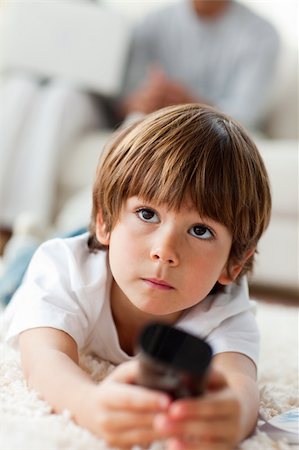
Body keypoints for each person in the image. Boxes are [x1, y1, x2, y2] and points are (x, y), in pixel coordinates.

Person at [5, 104, 271, 450]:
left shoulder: (226, 305)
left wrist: (233, 415)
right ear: (104, 220)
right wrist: (88, 403)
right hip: (56, 263)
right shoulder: (64, 267)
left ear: (233, 264)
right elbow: (43, 360)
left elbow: (240, 382)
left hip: (117, 249)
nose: (165, 250)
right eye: (148, 213)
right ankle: (29, 238)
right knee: (17, 273)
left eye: (200, 231)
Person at [119, 0, 279, 131]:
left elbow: (245, 116)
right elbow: (125, 99)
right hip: (151, 125)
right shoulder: (149, 24)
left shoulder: (262, 34)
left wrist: (191, 107)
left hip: (220, 136)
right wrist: (144, 100)